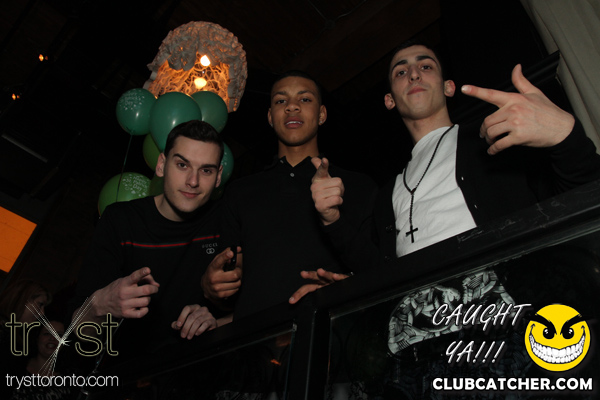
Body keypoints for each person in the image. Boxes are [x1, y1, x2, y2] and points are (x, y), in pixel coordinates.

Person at [312, 39, 600, 264]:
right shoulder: (388, 194)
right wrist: (332, 221)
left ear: (448, 87)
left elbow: (583, 201)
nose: (414, 74)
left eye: (426, 67)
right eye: (401, 71)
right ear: (390, 100)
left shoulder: (494, 139)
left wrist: (566, 135)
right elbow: (379, 274)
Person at [201, 71, 377, 319]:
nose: (291, 106)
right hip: (254, 339)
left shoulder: (359, 186)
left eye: (304, 99)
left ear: (322, 114)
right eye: (281, 101)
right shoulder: (240, 192)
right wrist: (213, 289)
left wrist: (344, 289)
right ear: (270, 117)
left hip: (327, 336)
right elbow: (227, 293)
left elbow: (379, 273)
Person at [72, 120, 226, 358]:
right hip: (121, 371)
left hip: (191, 370)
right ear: (162, 165)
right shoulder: (121, 221)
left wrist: (216, 323)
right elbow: (77, 331)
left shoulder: (224, 222)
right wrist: (100, 305)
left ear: (218, 177)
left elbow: (255, 305)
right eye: (182, 165)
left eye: (206, 170)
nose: (193, 181)